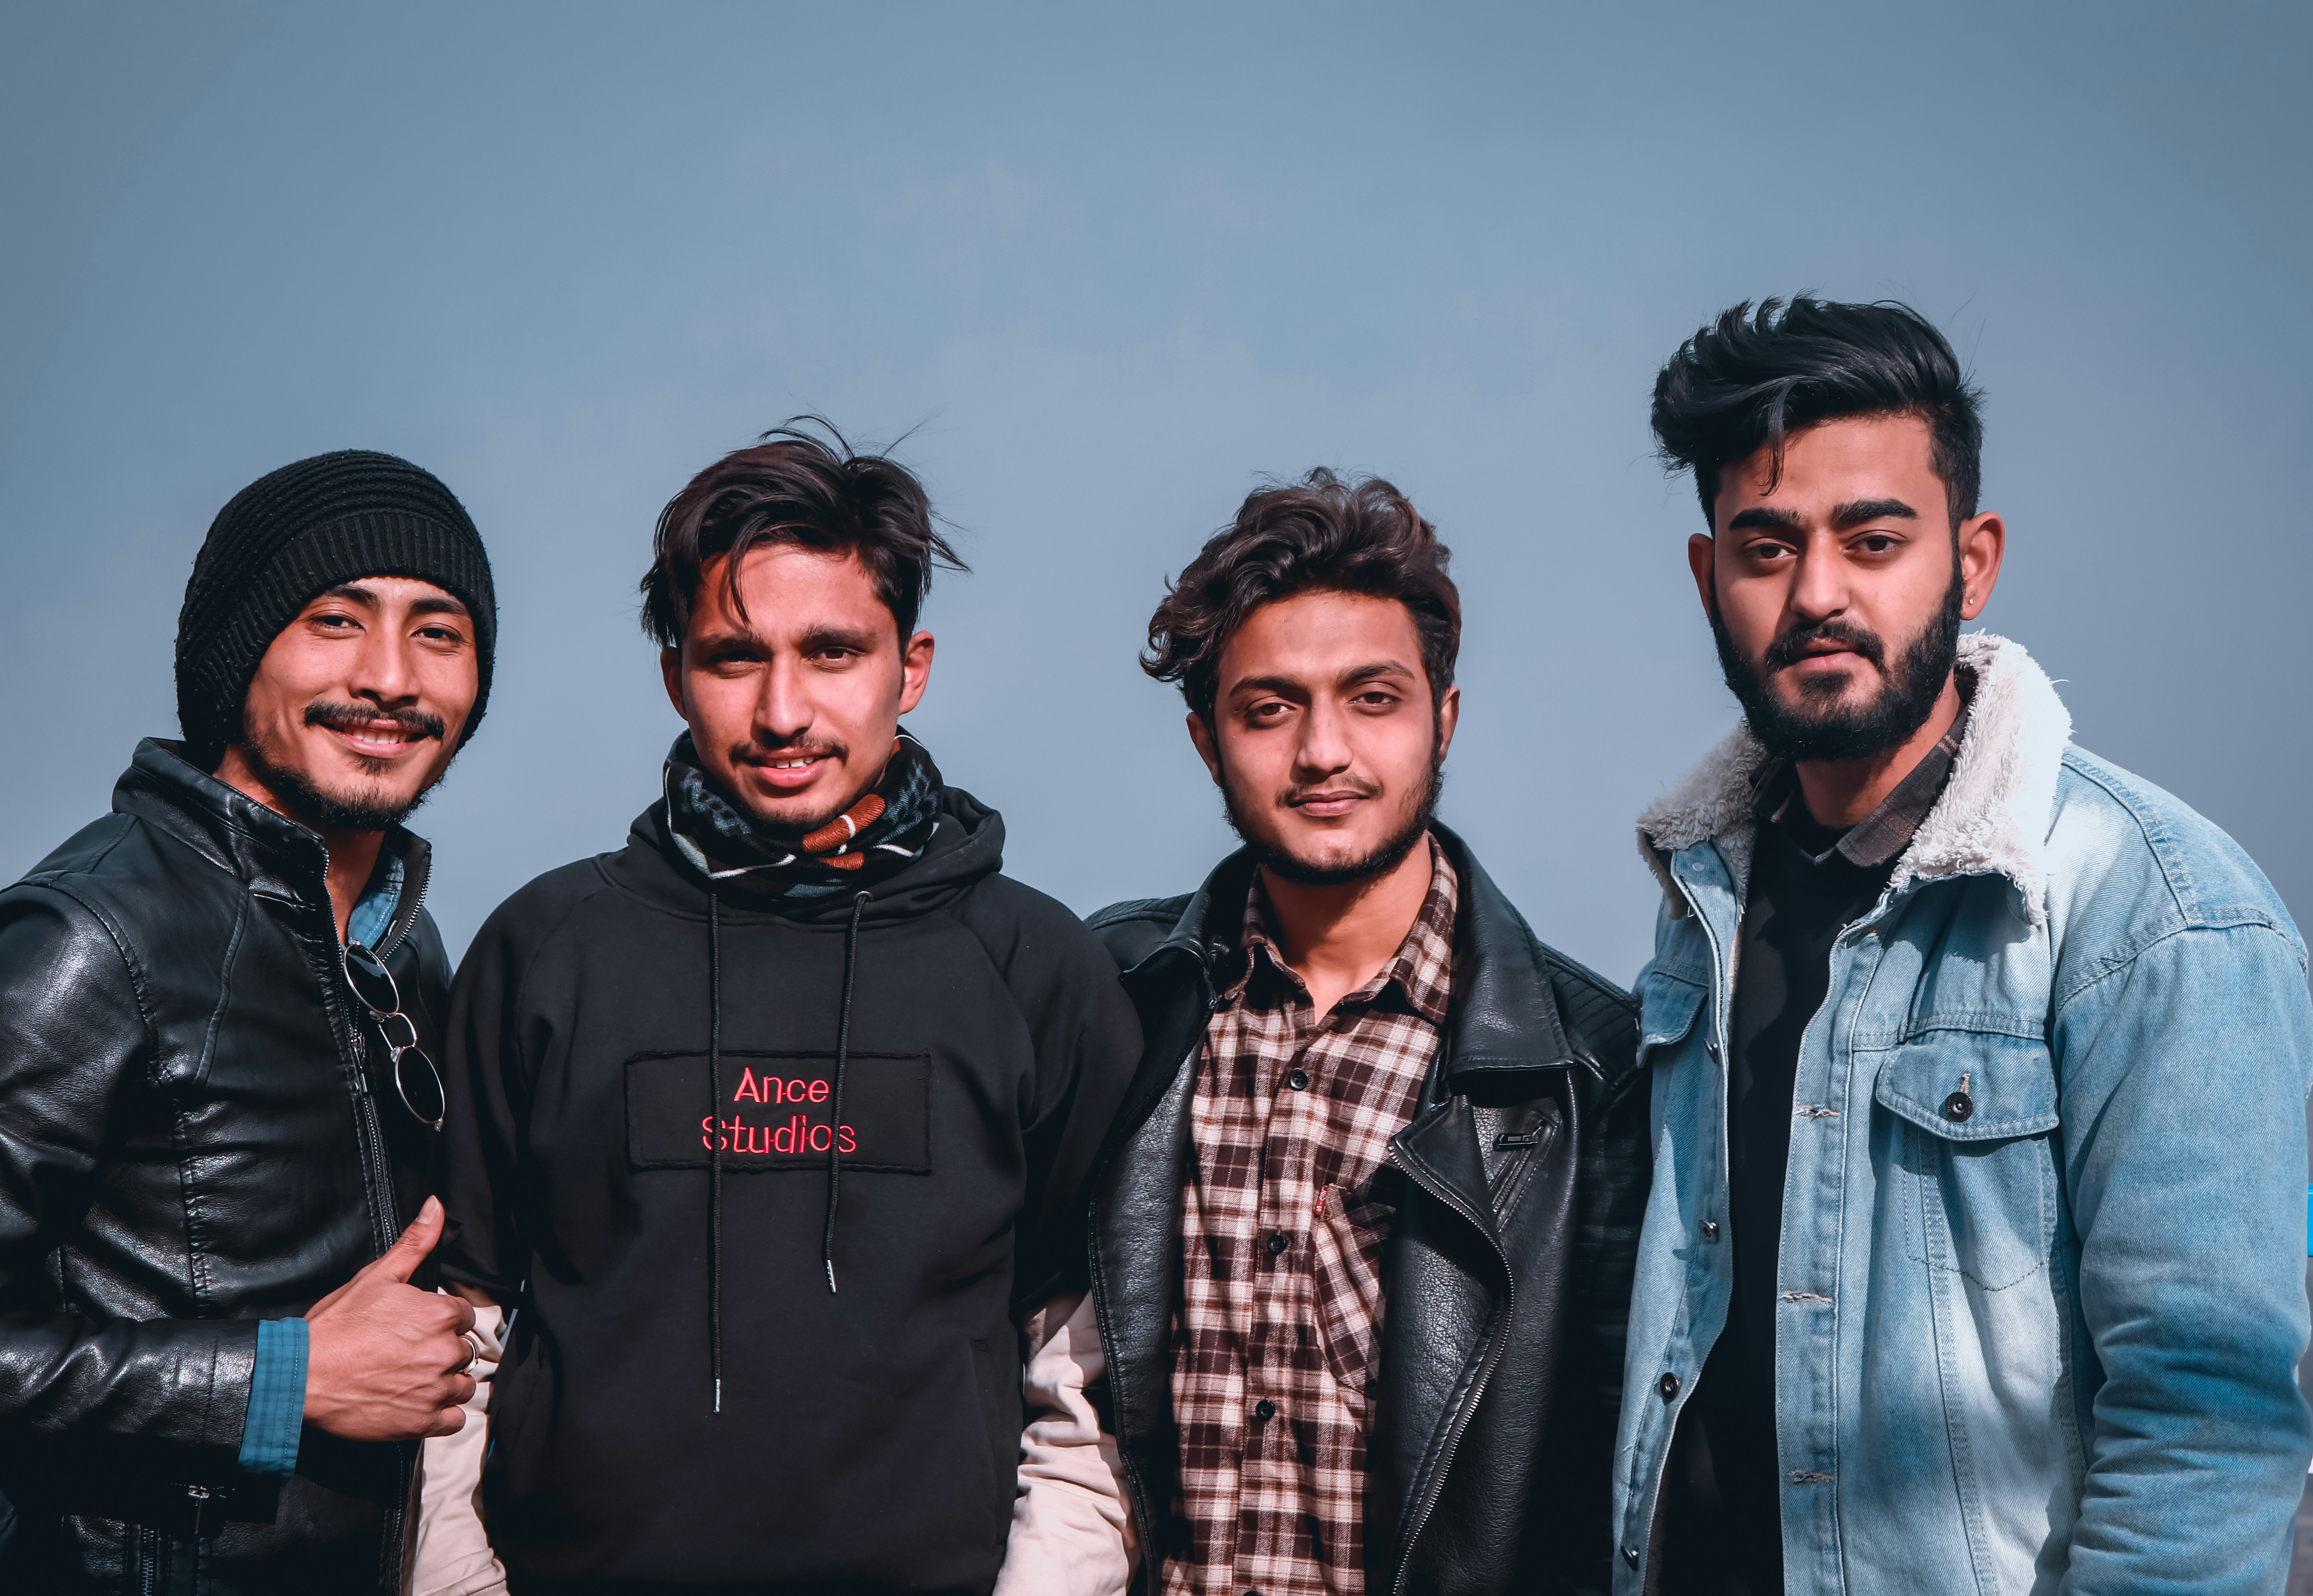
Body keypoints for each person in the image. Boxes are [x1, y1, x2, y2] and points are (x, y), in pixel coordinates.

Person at [1613, 297, 2313, 1594]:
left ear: (1971, 561)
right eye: (1766, 549)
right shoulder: (1700, 901)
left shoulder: (2152, 912)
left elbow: (2207, 1427)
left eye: (1871, 540)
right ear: (1710, 579)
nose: (1817, 593)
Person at [435, 422, 1143, 1593]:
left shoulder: (1036, 968)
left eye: (831, 653)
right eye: (732, 657)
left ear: (908, 668)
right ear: (674, 674)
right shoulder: (544, 950)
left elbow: (1086, 1375)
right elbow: (452, 1339)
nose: (782, 713)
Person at [998, 471, 1650, 1596]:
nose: (1323, 753)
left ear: (1443, 720)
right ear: (1207, 741)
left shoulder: (1589, 1069)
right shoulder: (1124, 1000)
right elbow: (1060, 1398)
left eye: (1372, 699)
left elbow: (1615, 1471)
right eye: (1270, 708)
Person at [0, 451, 498, 1592]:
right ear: (240, 656)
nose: (389, 678)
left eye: (437, 632)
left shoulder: (401, 946)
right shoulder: (91, 935)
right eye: (335, 621)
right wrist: (282, 1379)